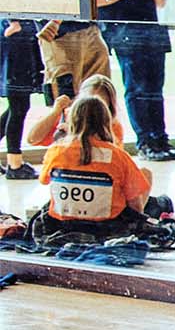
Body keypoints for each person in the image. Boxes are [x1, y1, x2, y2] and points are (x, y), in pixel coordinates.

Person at [96, 0, 175, 161]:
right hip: (124, 31)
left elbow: (162, 0)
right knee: (138, 87)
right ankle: (145, 143)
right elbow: (98, 0)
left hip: (152, 30)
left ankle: (161, 140)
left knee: (156, 88)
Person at [39, 94, 149, 229]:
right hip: (107, 226)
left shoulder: (55, 151)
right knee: (158, 199)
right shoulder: (118, 155)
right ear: (105, 121)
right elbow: (135, 206)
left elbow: (44, 180)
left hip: (63, 224)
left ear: (72, 121)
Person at [1, 13, 41, 179]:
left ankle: (14, 162)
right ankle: (14, 164)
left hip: (18, 40)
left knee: (18, 105)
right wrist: (15, 23)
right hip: (17, 43)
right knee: (19, 105)